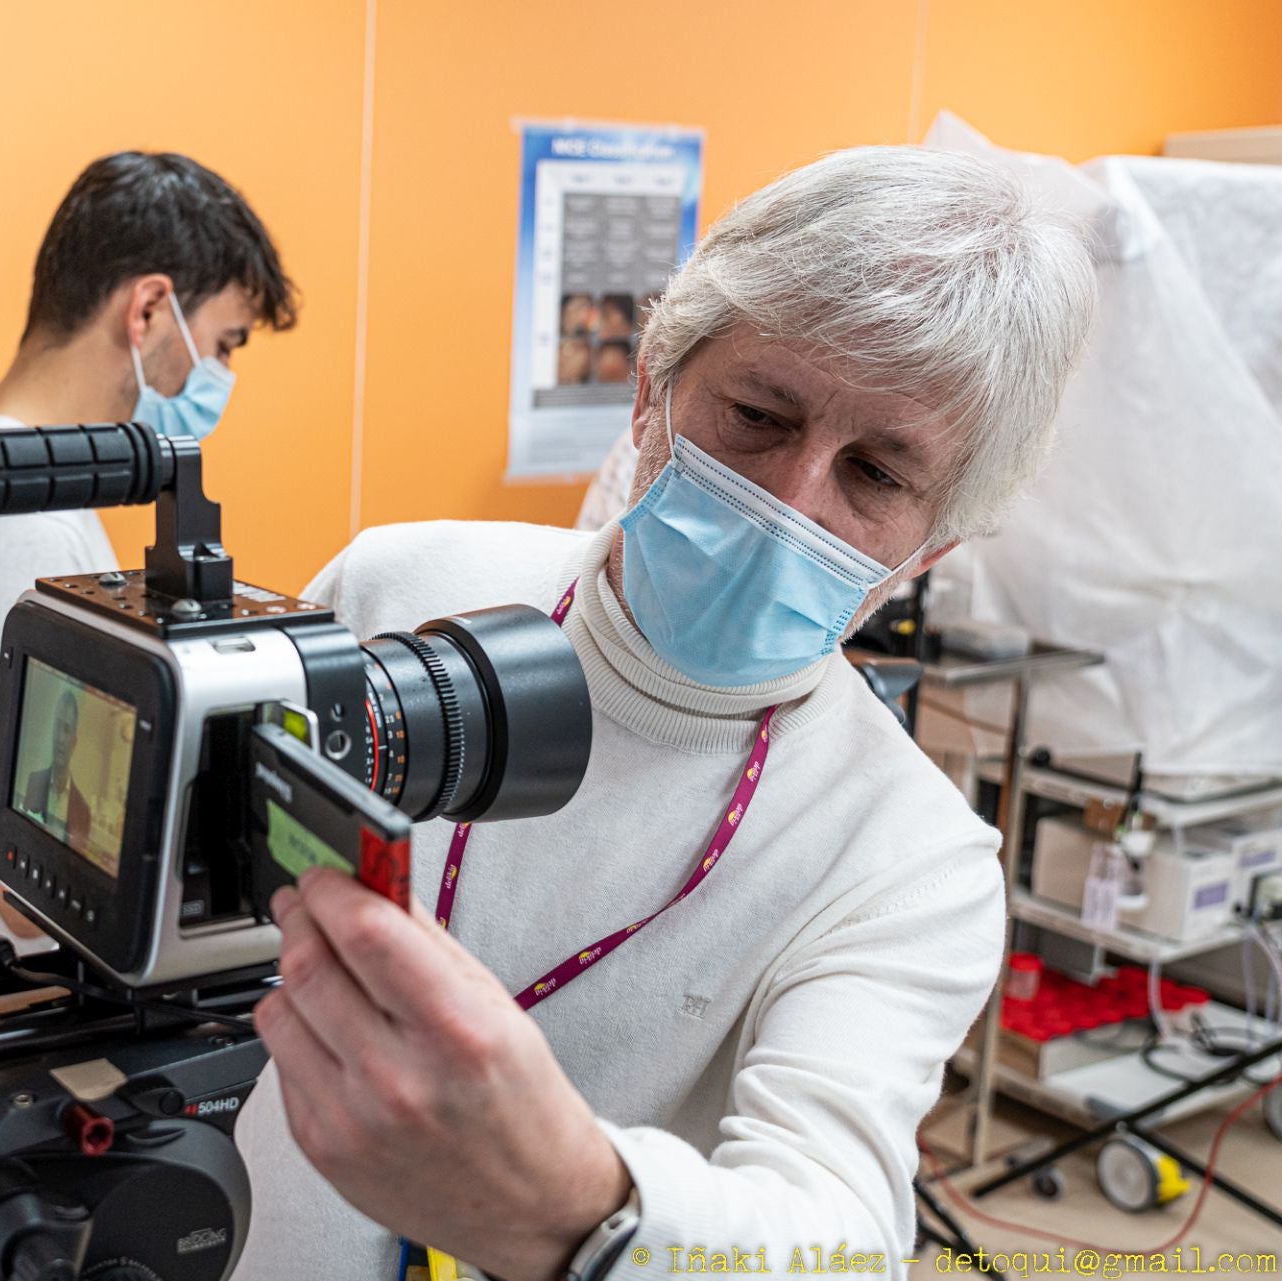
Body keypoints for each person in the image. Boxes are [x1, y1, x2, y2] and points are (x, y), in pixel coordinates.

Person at [232, 146, 1096, 1281]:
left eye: (877, 476)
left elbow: (840, 1237)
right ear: (650, 390)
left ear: (929, 553)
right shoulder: (399, 591)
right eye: (757, 414)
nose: (791, 503)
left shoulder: (908, 861)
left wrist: (574, 1209)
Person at [0, 151, 295, 941]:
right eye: (225, 344)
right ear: (148, 312)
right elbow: (17, 882)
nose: (223, 375)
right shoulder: (18, 526)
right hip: (3, 996)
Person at [22, 691, 91, 852]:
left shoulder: (83, 811)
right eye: (58, 727)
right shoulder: (34, 781)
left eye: (66, 730)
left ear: (74, 742)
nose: (60, 738)